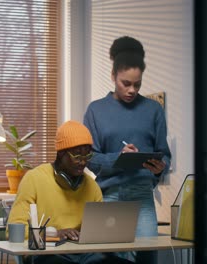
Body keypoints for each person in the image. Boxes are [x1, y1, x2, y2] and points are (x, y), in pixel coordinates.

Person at [83, 36, 172, 263]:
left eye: (137, 84)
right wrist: (118, 158)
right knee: (108, 261)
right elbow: (89, 158)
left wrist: (160, 167)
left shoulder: (153, 110)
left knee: (145, 258)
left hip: (142, 195)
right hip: (109, 195)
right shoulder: (96, 110)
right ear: (113, 76)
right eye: (126, 83)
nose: (132, 90)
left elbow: (165, 153)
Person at [7, 120, 132, 264]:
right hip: (46, 253)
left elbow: (99, 232)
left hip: (84, 255)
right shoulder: (34, 179)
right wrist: (54, 234)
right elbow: (14, 231)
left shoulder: (92, 186)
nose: (83, 162)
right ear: (61, 154)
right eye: (77, 156)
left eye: (87, 156)